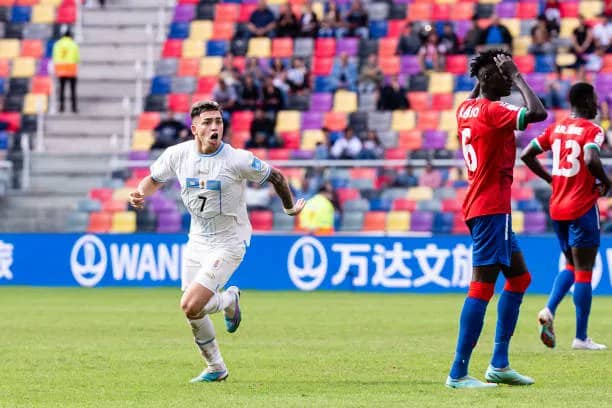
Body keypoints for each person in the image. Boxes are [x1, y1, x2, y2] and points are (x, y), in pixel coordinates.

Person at [127, 100, 305, 383]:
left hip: (229, 240)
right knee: (193, 310)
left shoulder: (236, 160)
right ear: (194, 128)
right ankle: (216, 366)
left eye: (219, 122)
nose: (214, 127)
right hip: (197, 240)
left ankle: (228, 301)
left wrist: (288, 207)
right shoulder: (178, 155)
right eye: (208, 122)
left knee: (189, 304)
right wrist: (139, 192)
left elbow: (278, 177)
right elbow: (153, 179)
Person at [446, 49, 547, 389]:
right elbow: (538, 112)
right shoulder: (492, 111)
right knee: (482, 287)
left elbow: (473, 95)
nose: (507, 77)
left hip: (485, 208)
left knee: (519, 280)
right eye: (502, 74)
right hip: (490, 209)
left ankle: (499, 364)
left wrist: (487, 71)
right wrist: (518, 75)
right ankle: (458, 373)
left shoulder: (466, 109)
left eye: (509, 74)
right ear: (488, 79)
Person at [520, 82, 610, 351]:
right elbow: (592, 158)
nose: (596, 104)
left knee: (571, 265)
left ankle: (549, 310)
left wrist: (552, 179)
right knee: (584, 271)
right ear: (584, 100)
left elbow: (527, 154)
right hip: (582, 206)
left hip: (557, 207)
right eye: (593, 99)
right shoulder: (593, 130)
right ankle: (581, 337)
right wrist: (606, 181)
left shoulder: (556, 128)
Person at [52, 27, 80, 113]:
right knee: (72, 90)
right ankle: (74, 108)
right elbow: (77, 58)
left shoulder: (57, 44)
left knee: (62, 89)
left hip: (61, 69)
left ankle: (61, 107)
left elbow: (55, 57)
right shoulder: (73, 44)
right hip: (71, 69)